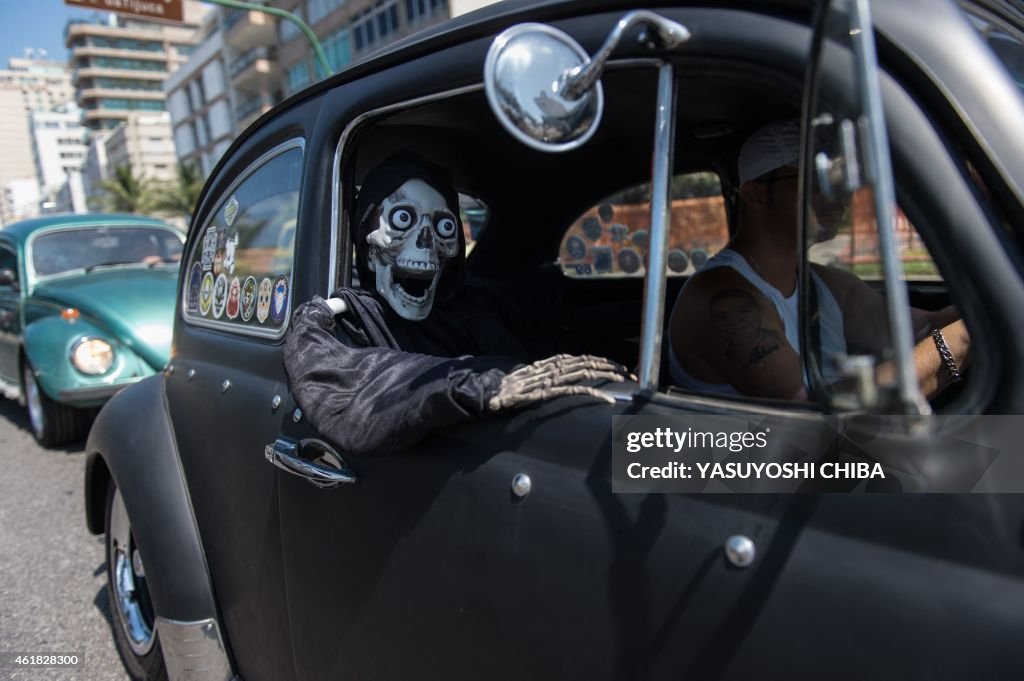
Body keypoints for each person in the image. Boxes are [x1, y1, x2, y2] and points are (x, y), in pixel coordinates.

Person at [284, 151, 630, 456]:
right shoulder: (351, 322)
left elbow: (557, 340)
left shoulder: (480, 308)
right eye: (402, 219)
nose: (426, 241)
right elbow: (336, 374)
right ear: (367, 244)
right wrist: (478, 383)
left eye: (443, 226)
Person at [668, 120, 970, 401]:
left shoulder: (826, 285)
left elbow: (918, 330)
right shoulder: (721, 297)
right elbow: (813, 410)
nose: (835, 197)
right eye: (814, 181)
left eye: (836, 182)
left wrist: (989, 311)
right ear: (756, 195)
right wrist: (963, 341)